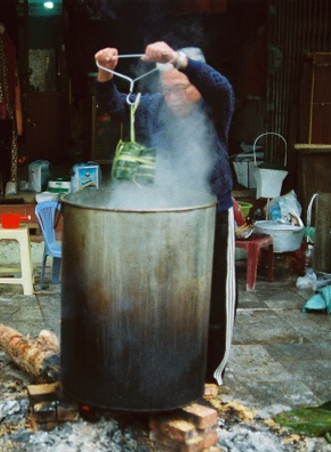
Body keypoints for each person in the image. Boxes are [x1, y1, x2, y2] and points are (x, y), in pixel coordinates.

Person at [94, 42, 236, 386]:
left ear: (196, 87)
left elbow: (222, 85)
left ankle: (211, 373)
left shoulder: (214, 106)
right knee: (170, 294)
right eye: (166, 87)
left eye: (180, 87)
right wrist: (103, 72)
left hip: (211, 214)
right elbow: (113, 103)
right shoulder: (153, 106)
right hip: (170, 216)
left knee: (214, 298)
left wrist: (176, 59)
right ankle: (170, 360)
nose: (172, 95)